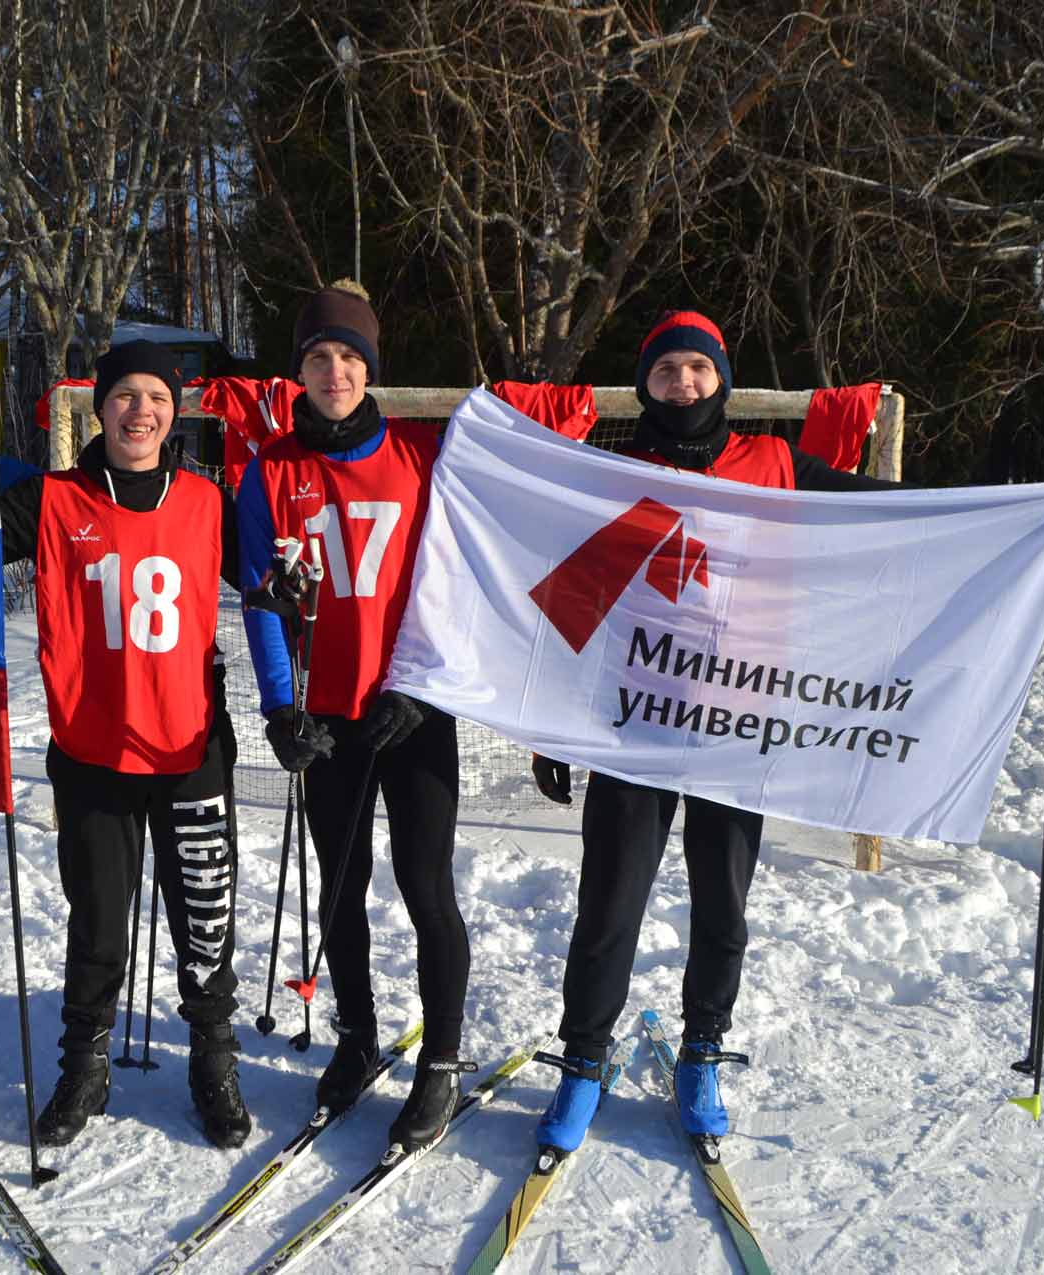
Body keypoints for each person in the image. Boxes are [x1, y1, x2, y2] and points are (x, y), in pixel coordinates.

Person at [533, 310, 900, 1154]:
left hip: (739, 727)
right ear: (646, 385)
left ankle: (702, 1052)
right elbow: (572, 606)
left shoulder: (773, 465)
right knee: (609, 905)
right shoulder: (622, 474)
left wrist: (1020, 509)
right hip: (637, 729)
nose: (684, 385)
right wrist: (548, 728)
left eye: (698, 369)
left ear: (721, 380)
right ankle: (583, 1062)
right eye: (667, 372)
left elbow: (882, 510)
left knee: (721, 906)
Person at [0, 340, 251, 1149]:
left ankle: (213, 1060)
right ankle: (86, 1063)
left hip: (190, 747)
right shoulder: (52, 501)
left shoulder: (209, 501)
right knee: (99, 918)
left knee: (205, 919)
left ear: (175, 414)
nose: (140, 410)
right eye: (124, 396)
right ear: (98, 407)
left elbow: (278, 578)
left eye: (156, 397)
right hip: (93, 752)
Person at [238, 281, 472, 1152]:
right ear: (297, 369)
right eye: (317, 357)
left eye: (349, 357)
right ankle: (358, 1036)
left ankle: (441, 1061)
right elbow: (264, 598)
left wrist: (419, 683)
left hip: (411, 713)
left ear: (371, 367)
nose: (334, 371)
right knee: (340, 888)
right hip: (326, 716)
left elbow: (451, 580)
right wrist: (278, 708)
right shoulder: (269, 469)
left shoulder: (420, 452)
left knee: (424, 884)